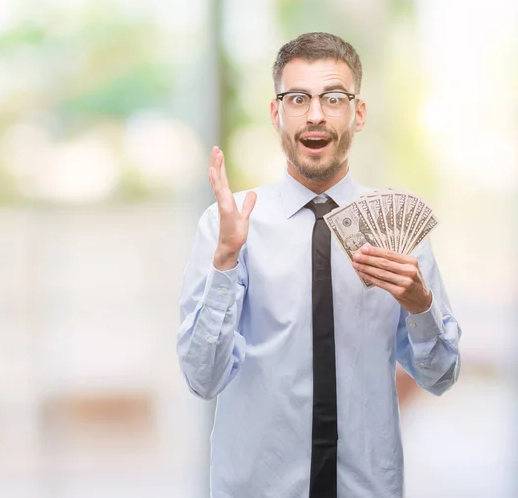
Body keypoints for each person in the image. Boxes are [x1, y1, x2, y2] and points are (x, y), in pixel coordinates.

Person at [176, 32, 460, 498]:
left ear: (358, 113)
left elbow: (441, 376)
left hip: (367, 487)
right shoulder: (226, 225)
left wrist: (420, 304)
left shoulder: (399, 234)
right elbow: (202, 379)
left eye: (333, 98)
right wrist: (227, 260)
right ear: (276, 113)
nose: (314, 114)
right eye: (297, 98)